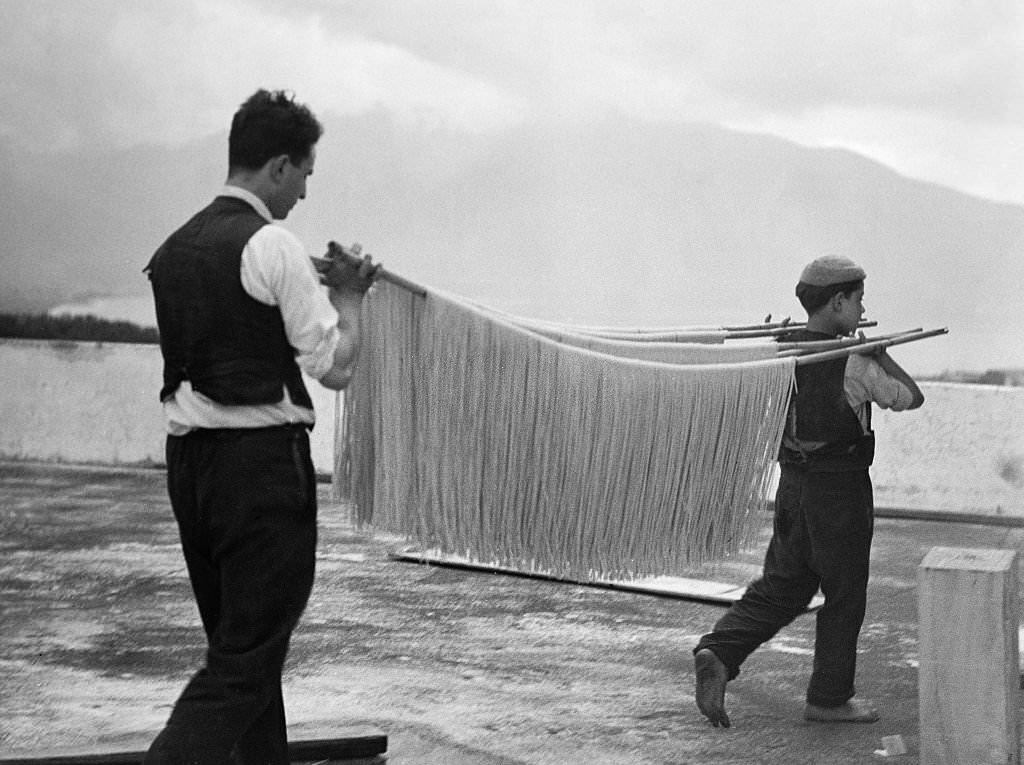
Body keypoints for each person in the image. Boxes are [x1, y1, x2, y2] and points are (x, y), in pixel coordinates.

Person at [143, 89, 379, 764]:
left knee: (243, 650)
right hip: (260, 473)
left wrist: (313, 279)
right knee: (246, 660)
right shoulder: (272, 244)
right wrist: (349, 300)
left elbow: (235, 308)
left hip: (191, 471)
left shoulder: (175, 247)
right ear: (279, 166)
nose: (304, 193)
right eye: (304, 174)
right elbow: (332, 364)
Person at [693, 255, 924, 728]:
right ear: (838, 302)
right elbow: (910, 397)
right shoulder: (854, 363)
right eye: (858, 300)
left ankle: (721, 649)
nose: (863, 310)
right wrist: (881, 353)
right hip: (839, 493)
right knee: (844, 594)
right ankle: (829, 697)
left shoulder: (779, 350)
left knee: (785, 584)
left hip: (793, 488)